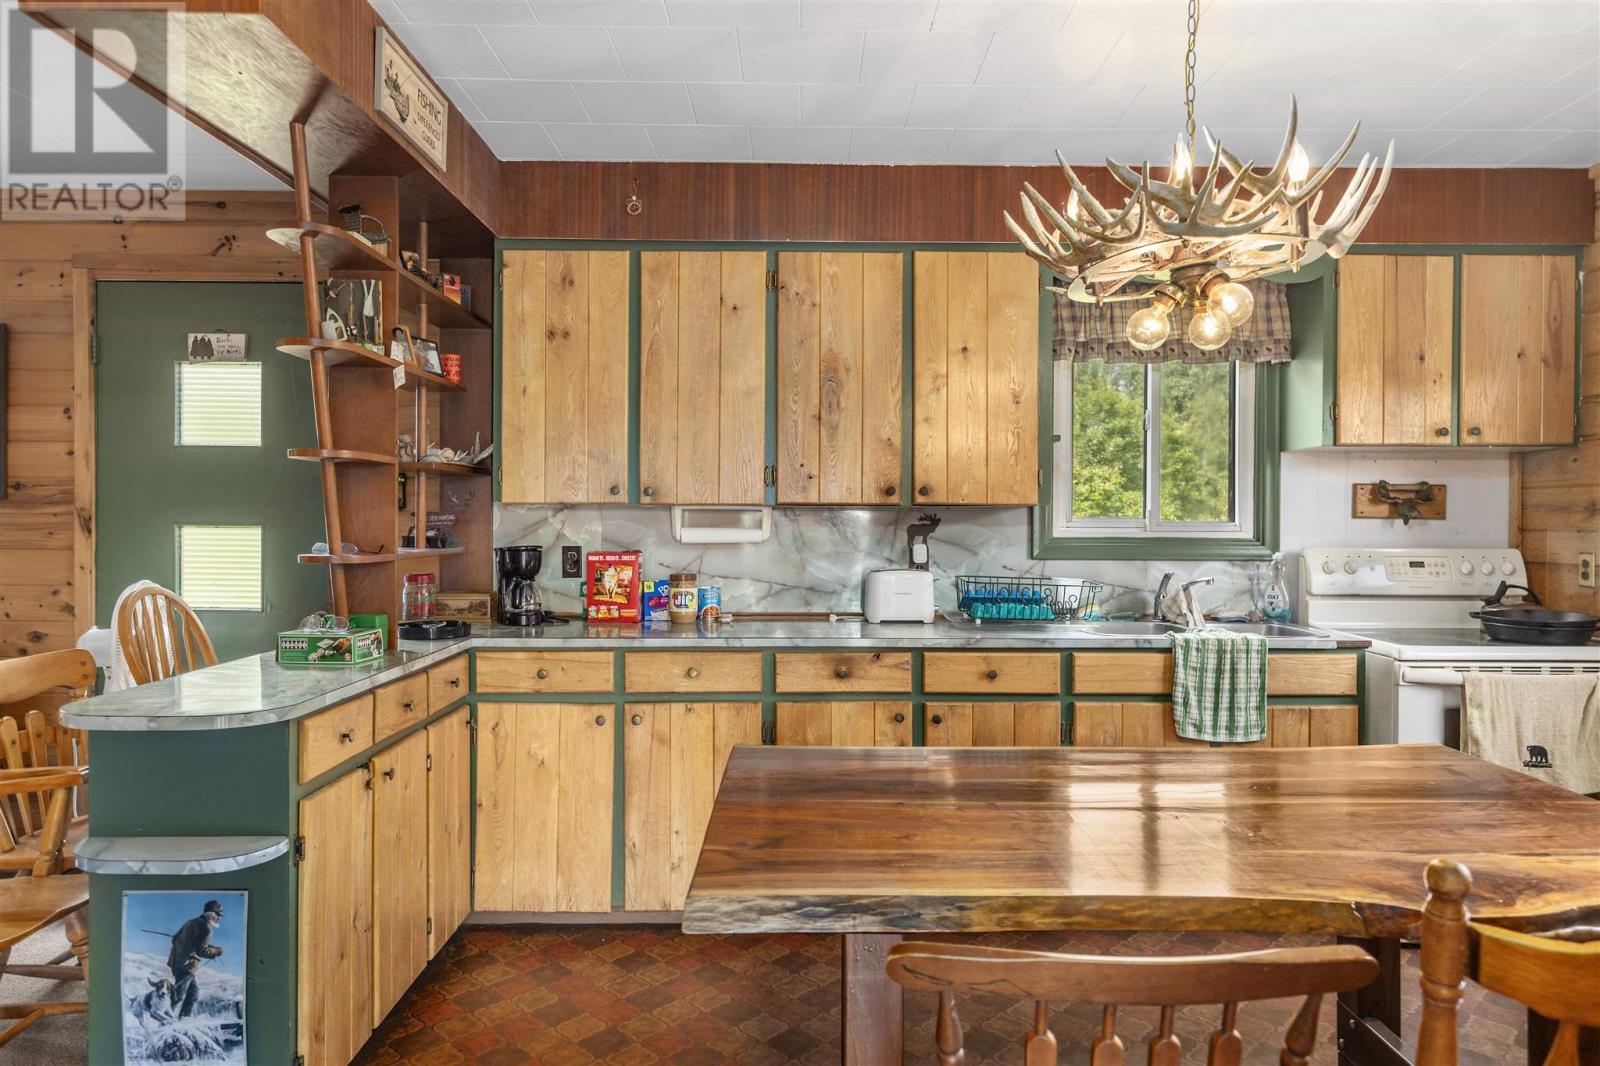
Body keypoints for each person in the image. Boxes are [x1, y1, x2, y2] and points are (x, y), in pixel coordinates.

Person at [167, 899, 225, 1019]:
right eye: (218, 915)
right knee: (178, 995)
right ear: (211, 914)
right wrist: (215, 953)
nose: (218, 918)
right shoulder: (207, 928)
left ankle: (184, 1019)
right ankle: (164, 1018)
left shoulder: (190, 922)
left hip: (176, 962)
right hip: (186, 966)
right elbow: (201, 950)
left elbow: (175, 940)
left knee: (193, 994)